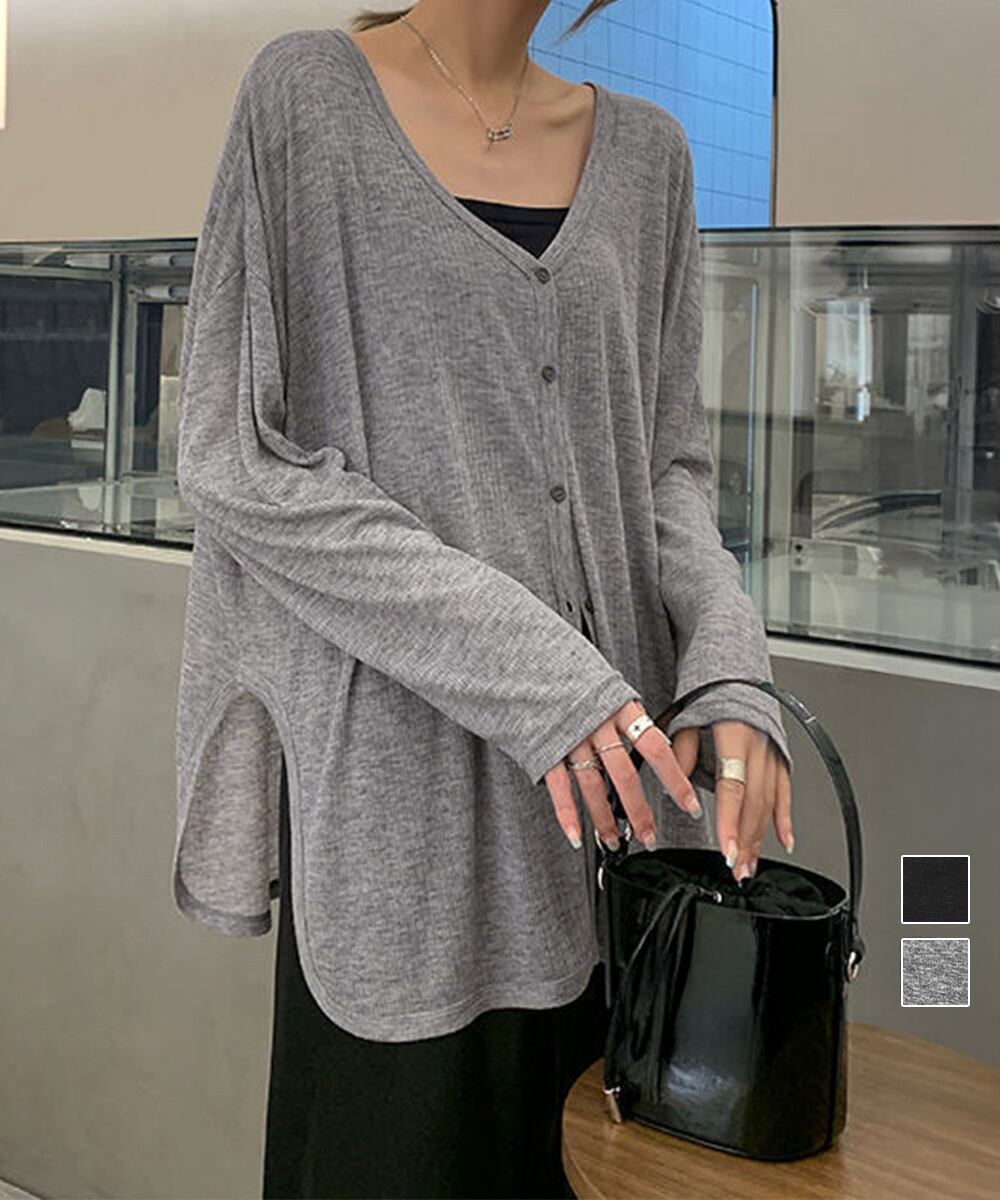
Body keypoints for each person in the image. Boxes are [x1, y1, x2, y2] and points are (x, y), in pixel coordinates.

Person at [172, 2, 795, 1196]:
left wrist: (729, 665)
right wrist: (544, 678)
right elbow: (234, 459)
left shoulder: (652, 157)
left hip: (610, 829)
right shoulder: (305, 100)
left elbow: (666, 473)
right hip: (403, 820)